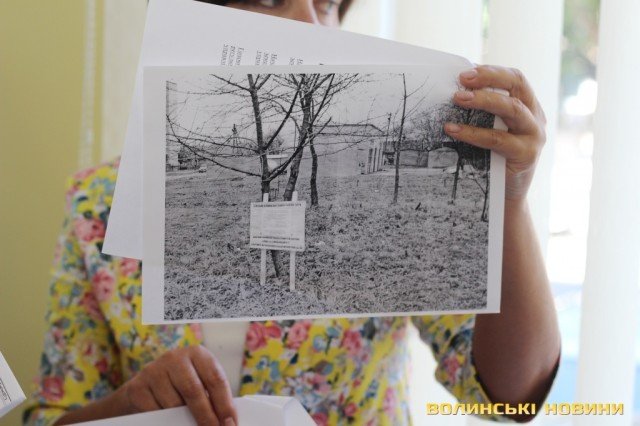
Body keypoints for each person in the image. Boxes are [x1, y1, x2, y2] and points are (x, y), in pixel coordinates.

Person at [23, 1, 561, 425]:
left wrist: (511, 201)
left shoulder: (388, 209)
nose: (310, 22)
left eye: (327, 3)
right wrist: (130, 407)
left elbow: (510, 399)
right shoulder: (97, 204)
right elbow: (55, 414)